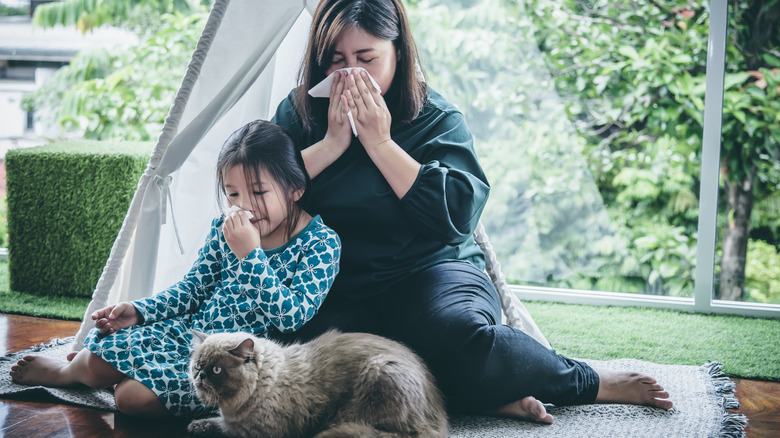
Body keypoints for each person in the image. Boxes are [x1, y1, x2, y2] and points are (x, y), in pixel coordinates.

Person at [269, 0, 673, 424]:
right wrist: (332, 145)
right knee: (289, 356)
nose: (350, 75)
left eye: (366, 59)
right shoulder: (297, 116)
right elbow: (262, 198)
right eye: (336, 62)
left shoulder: (436, 118)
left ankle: (585, 381)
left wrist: (380, 144)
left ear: (399, 52)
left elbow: (455, 219)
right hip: (333, 284)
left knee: (457, 340)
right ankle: (474, 396)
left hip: (429, 274)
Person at [10, 120, 341, 418]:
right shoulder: (225, 227)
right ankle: (69, 373)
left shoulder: (321, 243)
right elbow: (192, 289)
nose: (246, 206)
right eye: (233, 193)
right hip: (189, 331)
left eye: (259, 192)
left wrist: (250, 255)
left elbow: (291, 316)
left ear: (295, 189)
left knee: (131, 400)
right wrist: (139, 311)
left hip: (233, 363)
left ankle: (119, 377)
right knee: (98, 356)